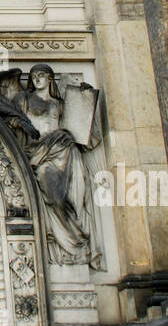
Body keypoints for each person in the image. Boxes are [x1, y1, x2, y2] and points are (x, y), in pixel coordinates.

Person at [13, 64, 103, 268]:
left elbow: (79, 126)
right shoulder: (25, 99)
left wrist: (85, 98)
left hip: (63, 152)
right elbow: (13, 122)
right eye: (34, 76)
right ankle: (71, 241)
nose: (37, 80)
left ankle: (76, 243)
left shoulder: (59, 103)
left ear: (50, 79)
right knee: (53, 198)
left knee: (65, 198)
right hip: (38, 154)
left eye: (42, 76)